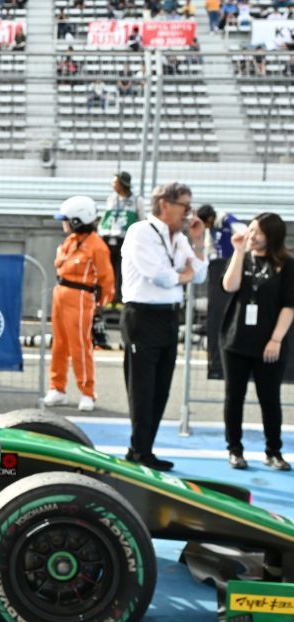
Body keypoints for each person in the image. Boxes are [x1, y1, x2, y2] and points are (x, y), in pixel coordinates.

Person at [120, 182, 207, 470]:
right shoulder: (141, 231)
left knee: (161, 390)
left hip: (169, 317)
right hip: (142, 316)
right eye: (184, 205)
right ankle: (139, 451)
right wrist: (183, 275)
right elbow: (157, 275)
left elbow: (200, 275)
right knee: (142, 389)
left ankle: (143, 449)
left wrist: (198, 243)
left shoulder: (179, 237)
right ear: (165, 205)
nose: (188, 212)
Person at [219, 213, 294, 470]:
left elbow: (289, 306)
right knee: (234, 397)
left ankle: (274, 451)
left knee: (270, 398)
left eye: (258, 232)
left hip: (269, 344)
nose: (252, 236)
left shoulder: (286, 265)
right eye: (250, 230)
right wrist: (238, 252)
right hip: (236, 340)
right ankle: (234, 450)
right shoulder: (242, 257)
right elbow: (229, 286)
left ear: (271, 236)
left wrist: (275, 339)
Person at [44, 196, 115, 411]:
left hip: (81, 298)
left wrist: (100, 305)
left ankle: (87, 392)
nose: (64, 224)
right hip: (61, 293)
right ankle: (57, 388)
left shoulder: (97, 246)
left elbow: (107, 280)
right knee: (59, 344)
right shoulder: (71, 240)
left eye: (67, 220)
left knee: (80, 346)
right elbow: (60, 264)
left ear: (77, 220)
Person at [98, 170, 143, 302]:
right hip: (108, 238)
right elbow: (105, 217)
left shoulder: (136, 200)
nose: (113, 185)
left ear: (122, 184)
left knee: (122, 269)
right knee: (108, 268)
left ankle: (119, 298)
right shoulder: (111, 198)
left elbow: (142, 219)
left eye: (115, 182)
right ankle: (107, 297)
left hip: (124, 239)